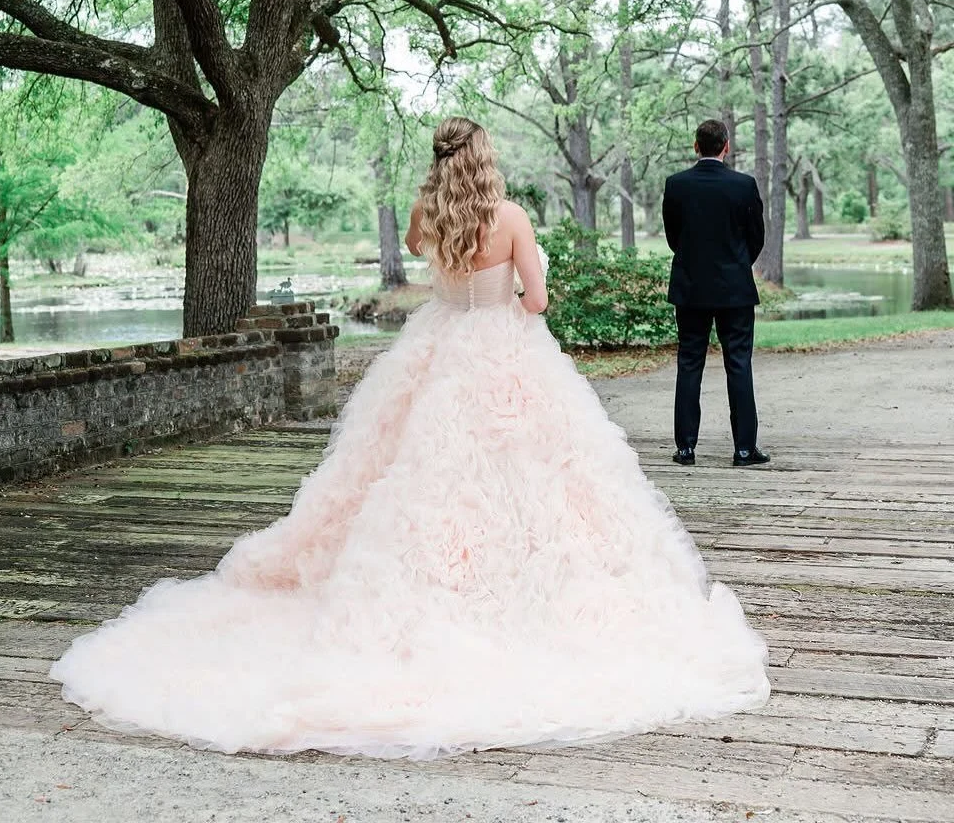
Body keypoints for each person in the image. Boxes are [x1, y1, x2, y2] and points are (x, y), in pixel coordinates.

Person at [51, 116, 769, 759]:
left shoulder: (427, 211)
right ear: (485, 160)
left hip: (437, 347)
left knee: (409, 469)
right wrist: (517, 286)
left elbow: (423, 250)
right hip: (502, 350)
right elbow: (539, 302)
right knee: (531, 477)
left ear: (440, 161)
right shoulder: (512, 217)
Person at [662, 119, 770, 468]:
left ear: (697, 146)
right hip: (734, 290)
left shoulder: (676, 185)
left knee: (689, 364)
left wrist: (695, 262)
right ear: (726, 145)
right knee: (738, 365)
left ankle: (686, 449)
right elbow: (756, 237)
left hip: (691, 288)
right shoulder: (743, 185)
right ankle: (743, 450)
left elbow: (673, 237)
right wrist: (737, 264)